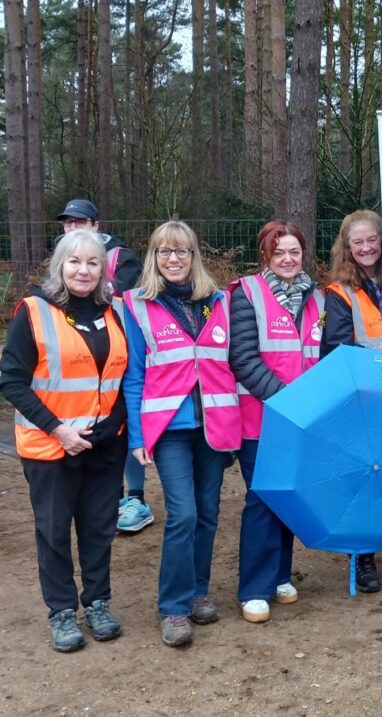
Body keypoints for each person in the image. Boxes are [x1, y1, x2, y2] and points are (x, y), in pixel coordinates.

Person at [0, 230, 128, 652]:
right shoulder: (33, 312)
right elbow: (12, 381)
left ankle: (97, 603)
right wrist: (59, 429)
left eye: (93, 262)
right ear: (59, 266)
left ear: (104, 270)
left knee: (98, 529)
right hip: (51, 446)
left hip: (105, 444)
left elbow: (127, 379)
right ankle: (61, 612)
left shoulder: (116, 312)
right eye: (74, 262)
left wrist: (112, 427)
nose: (83, 270)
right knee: (54, 532)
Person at [123, 221, 241, 647]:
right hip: (168, 427)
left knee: (209, 514)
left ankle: (198, 592)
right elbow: (134, 376)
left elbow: (231, 363)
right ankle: (172, 608)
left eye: (183, 251)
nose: (174, 259)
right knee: (184, 515)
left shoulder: (219, 302)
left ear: (195, 256)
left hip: (215, 425)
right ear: (154, 257)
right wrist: (137, 437)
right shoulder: (136, 304)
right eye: (165, 251)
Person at [230, 220, 324, 623]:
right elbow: (243, 358)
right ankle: (254, 587)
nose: (287, 259)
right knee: (263, 497)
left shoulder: (318, 298)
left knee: (289, 494)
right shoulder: (246, 294)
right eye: (278, 252)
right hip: (260, 418)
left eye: (294, 252)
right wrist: (289, 400)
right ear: (265, 256)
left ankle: (280, 574)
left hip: (303, 420)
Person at [57, 198, 150, 533]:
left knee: (121, 421)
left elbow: (124, 300)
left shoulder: (121, 258)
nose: (73, 227)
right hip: (79, 354)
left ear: (95, 225)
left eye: (80, 222)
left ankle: (136, 498)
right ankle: (110, 496)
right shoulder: (62, 258)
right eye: (68, 222)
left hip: (119, 349)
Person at [320, 209, 382, 591]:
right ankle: (363, 557)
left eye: (372, 239)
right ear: (346, 248)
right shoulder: (339, 292)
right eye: (357, 242)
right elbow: (337, 349)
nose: (366, 248)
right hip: (364, 395)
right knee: (366, 475)